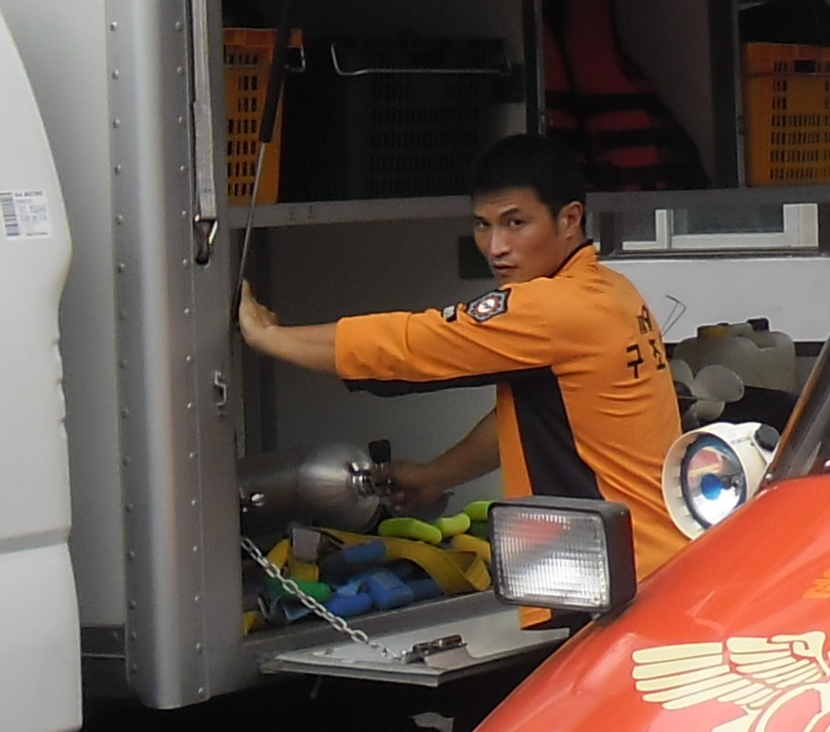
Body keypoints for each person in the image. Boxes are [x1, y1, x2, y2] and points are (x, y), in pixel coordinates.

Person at [236, 134, 686, 566]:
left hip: (622, 571)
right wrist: (436, 477)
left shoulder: (550, 306)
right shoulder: (614, 292)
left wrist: (270, 338)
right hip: (658, 556)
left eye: (516, 223)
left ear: (569, 220)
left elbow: (410, 346)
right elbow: (536, 419)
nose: (496, 247)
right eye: (482, 225)